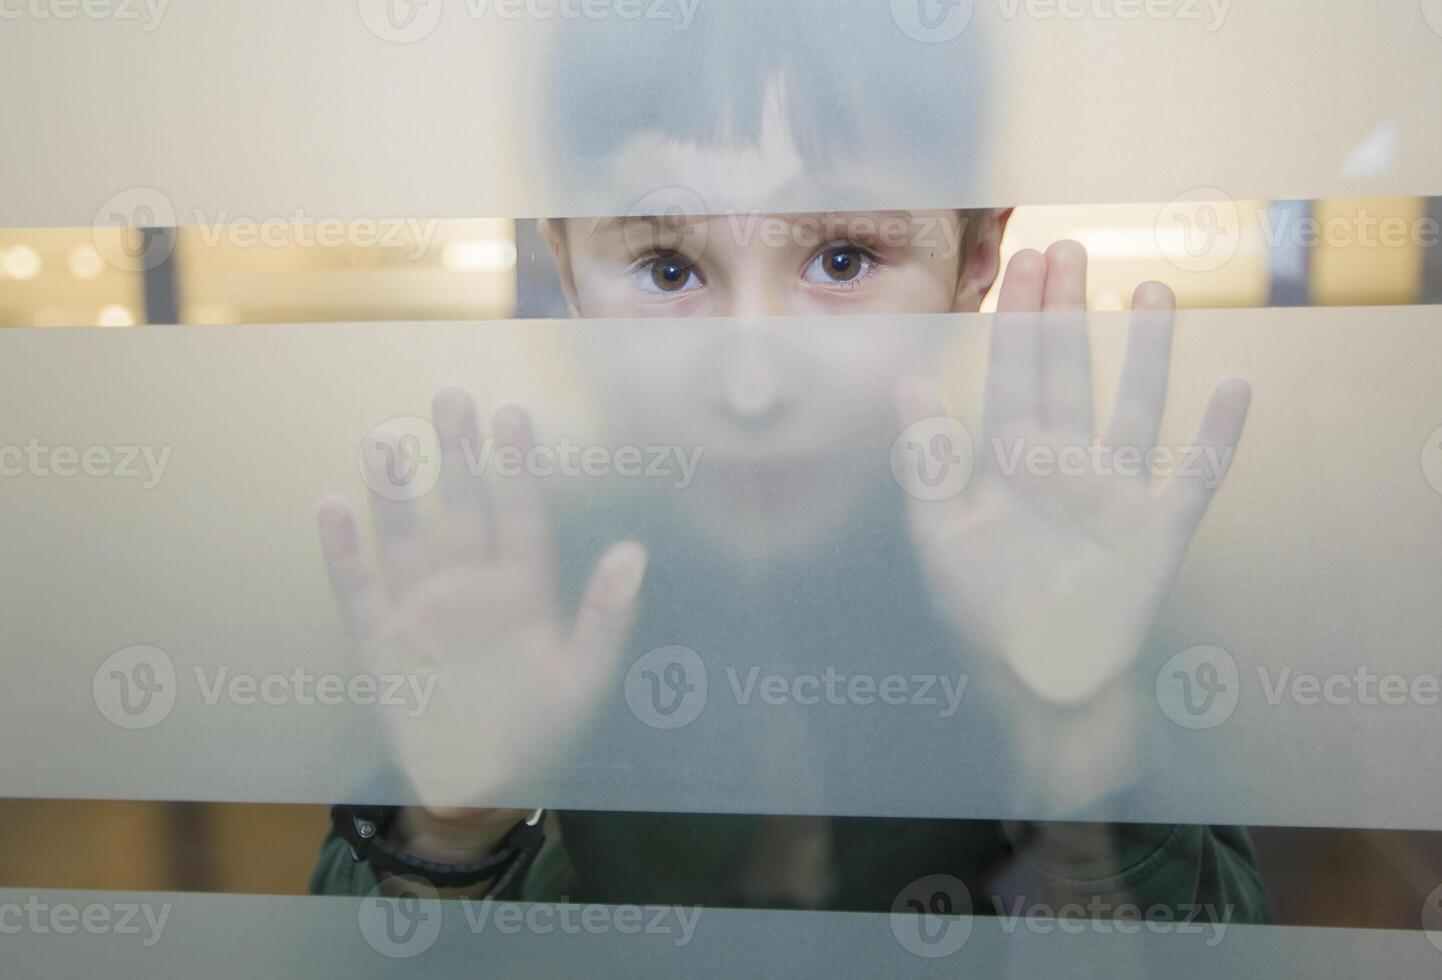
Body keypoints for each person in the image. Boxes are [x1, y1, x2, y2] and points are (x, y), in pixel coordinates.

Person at [311, 2, 1270, 924]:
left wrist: (1077, 732)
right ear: (565, 268)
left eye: (845, 259)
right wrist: (447, 830)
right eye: (669, 269)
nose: (754, 383)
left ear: (976, 257)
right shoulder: (515, 584)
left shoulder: (1052, 554)